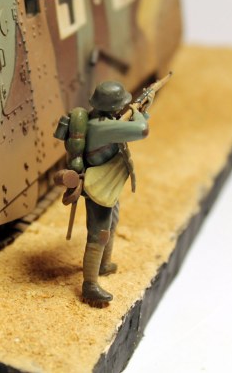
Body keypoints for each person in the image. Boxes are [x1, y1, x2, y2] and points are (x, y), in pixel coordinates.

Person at [80, 81, 151, 306]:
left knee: (111, 223)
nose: (123, 107)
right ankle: (90, 285)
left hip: (108, 183)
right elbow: (141, 130)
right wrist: (135, 113)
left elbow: (127, 128)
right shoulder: (101, 127)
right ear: (113, 107)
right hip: (99, 186)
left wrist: (141, 111)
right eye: (121, 104)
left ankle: (104, 264)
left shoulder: (102, 121)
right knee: (99, 233)